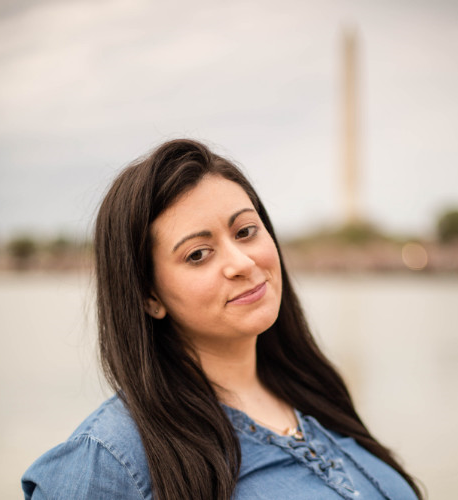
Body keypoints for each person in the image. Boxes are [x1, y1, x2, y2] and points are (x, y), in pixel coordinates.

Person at [22, 139, 422, 499]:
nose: (242, 263)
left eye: (246, 231)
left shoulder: (315, 390)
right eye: (198, 254)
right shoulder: (112, 458)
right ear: (149, 296)